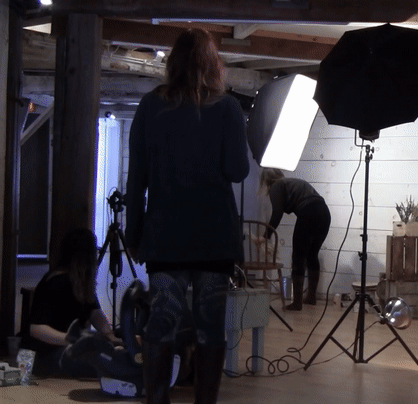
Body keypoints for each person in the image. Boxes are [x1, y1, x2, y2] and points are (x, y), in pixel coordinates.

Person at [124, 28, 249, 404]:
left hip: (166, 236)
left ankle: (157, 400)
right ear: (214, 64)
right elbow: (237, 171)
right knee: (210, 327)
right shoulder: (228, 108)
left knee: (161, 322)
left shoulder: (151, 105)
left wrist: (134, 234)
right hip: (214, 235)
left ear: (173, 62)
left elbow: (136, 179)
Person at [20, 228, 122, 378]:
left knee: (114, 356)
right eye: (95, 251)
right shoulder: (57, 282)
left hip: (63, 349)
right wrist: (72, 339)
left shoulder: (82, 284)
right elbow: (36, 329)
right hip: (42, 355)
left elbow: (95, 313)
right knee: (100, 362)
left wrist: (110, 336)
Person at [259, 168, 331, 311]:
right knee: (312, 255)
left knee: (298, 257)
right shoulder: (293, 182)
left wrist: (265, 236)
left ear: (266, 181)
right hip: (324, 212)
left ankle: (297, 303)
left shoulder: (277, 186)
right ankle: (311, 297)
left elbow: (277, 213)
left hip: (308, 212)